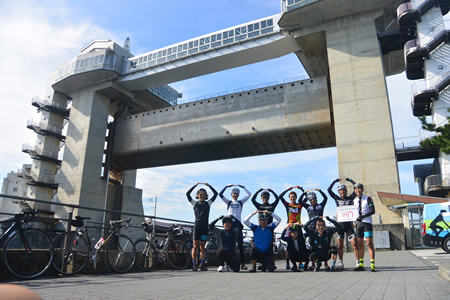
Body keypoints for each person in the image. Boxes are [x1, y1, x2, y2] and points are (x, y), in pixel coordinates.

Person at [327, 177, 358, 270]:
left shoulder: (350, 198)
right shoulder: (336, 198)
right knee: (340, 245)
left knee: (355, 244)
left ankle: (357, 262)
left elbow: (356, 187)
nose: (342, 192)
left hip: (349, 225)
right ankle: (341, 262)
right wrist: (335, 181)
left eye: (344, 190)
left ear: (346, 191)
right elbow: (328, 190)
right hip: (340, 225)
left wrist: (349, 180)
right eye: (340, 191)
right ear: (338, 192)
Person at [219, 184, 252, 270]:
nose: (235, 195)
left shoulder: (241, 202)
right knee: (229, 245)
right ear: (231, 194)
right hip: (230, 224)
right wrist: (226, 186)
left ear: (238, 194)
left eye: (237, 194)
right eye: (233, 193)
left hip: (238, 224)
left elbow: (249, 194)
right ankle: (226, 263)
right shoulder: (228, 202)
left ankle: (243, 264)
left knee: (240, 245)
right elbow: (220, 194)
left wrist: (243, 187)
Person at [186, 182, 218, 271]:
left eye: (204, 195)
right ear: (198, 195)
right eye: (200, 194)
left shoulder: (208, 203)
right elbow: (187, 194)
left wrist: (209, 186)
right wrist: (195, 186)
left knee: (202, 247)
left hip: (204, 227)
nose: (202, 196)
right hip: (197, 226)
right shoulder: (194, 203)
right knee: (195, 246)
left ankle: (202, 265)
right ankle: (194, 264)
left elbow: (216, 194)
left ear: (206, 196)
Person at [299, 188, 329, 270]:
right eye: (311, 200)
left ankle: (326, 264)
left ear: (316, 198)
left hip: (320, 227)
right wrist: (304, 192)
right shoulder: (308, 207)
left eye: (314, 199)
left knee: (324, 246)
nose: (313, 201)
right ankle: (314, 264)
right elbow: (300, 200)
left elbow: (326, 198)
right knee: (312, 246)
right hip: (311, 228)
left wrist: (320, 190)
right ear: (309, 200)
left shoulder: (321, 205)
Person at [279, 186, 304, 269]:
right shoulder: (287, 205)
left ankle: (300, 262)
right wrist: (288, 189)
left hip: (298, 226)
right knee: (288, 245)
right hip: (289, 226)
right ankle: (287, 263)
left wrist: (302, 190)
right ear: (289, 198)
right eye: (291, 197)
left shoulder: (300, 205)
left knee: (300, 244)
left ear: (296, 197)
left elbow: (306, 197)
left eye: (294, 196)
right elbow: (280, 196)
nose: (292, 198)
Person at [353, 183, 376, 272]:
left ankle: (372, 264)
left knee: (369, 243)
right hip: (358, 224)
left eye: (359, 189)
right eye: (355, 189)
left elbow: (373, 210)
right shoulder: (353, 200)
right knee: (359, 244)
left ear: (362, 189)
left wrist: (364, 215)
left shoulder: (368, 198)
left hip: (367, 223)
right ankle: (361, 264)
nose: (357, 190)